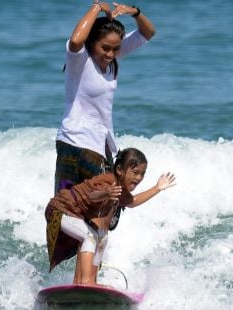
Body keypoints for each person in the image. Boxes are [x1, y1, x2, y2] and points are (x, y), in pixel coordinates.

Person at [53, 1, 156, 195]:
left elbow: (147, 33)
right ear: (92, 43)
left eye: (116, 48)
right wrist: (98, 6)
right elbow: (76, 41)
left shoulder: (111, 58)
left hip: (98, 145)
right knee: (67, 206)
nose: (110, 54)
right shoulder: (80, 60)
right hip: (74, 143)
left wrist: (135, 12)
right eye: (105, 48)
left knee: (101, 207)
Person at [45, 148, 176, 286]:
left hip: (75, 215)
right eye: (135, 172)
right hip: (60, 210)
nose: (139, 178)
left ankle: (89, 281)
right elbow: (92, 196)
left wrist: (157, 188)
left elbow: (132, 202)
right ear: (120, 170)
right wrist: (106, 193)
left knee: (102, 238)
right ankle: (85, 282)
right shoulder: (108, 181)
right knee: (89, 237)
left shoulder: (122, 189)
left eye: (142, 174)